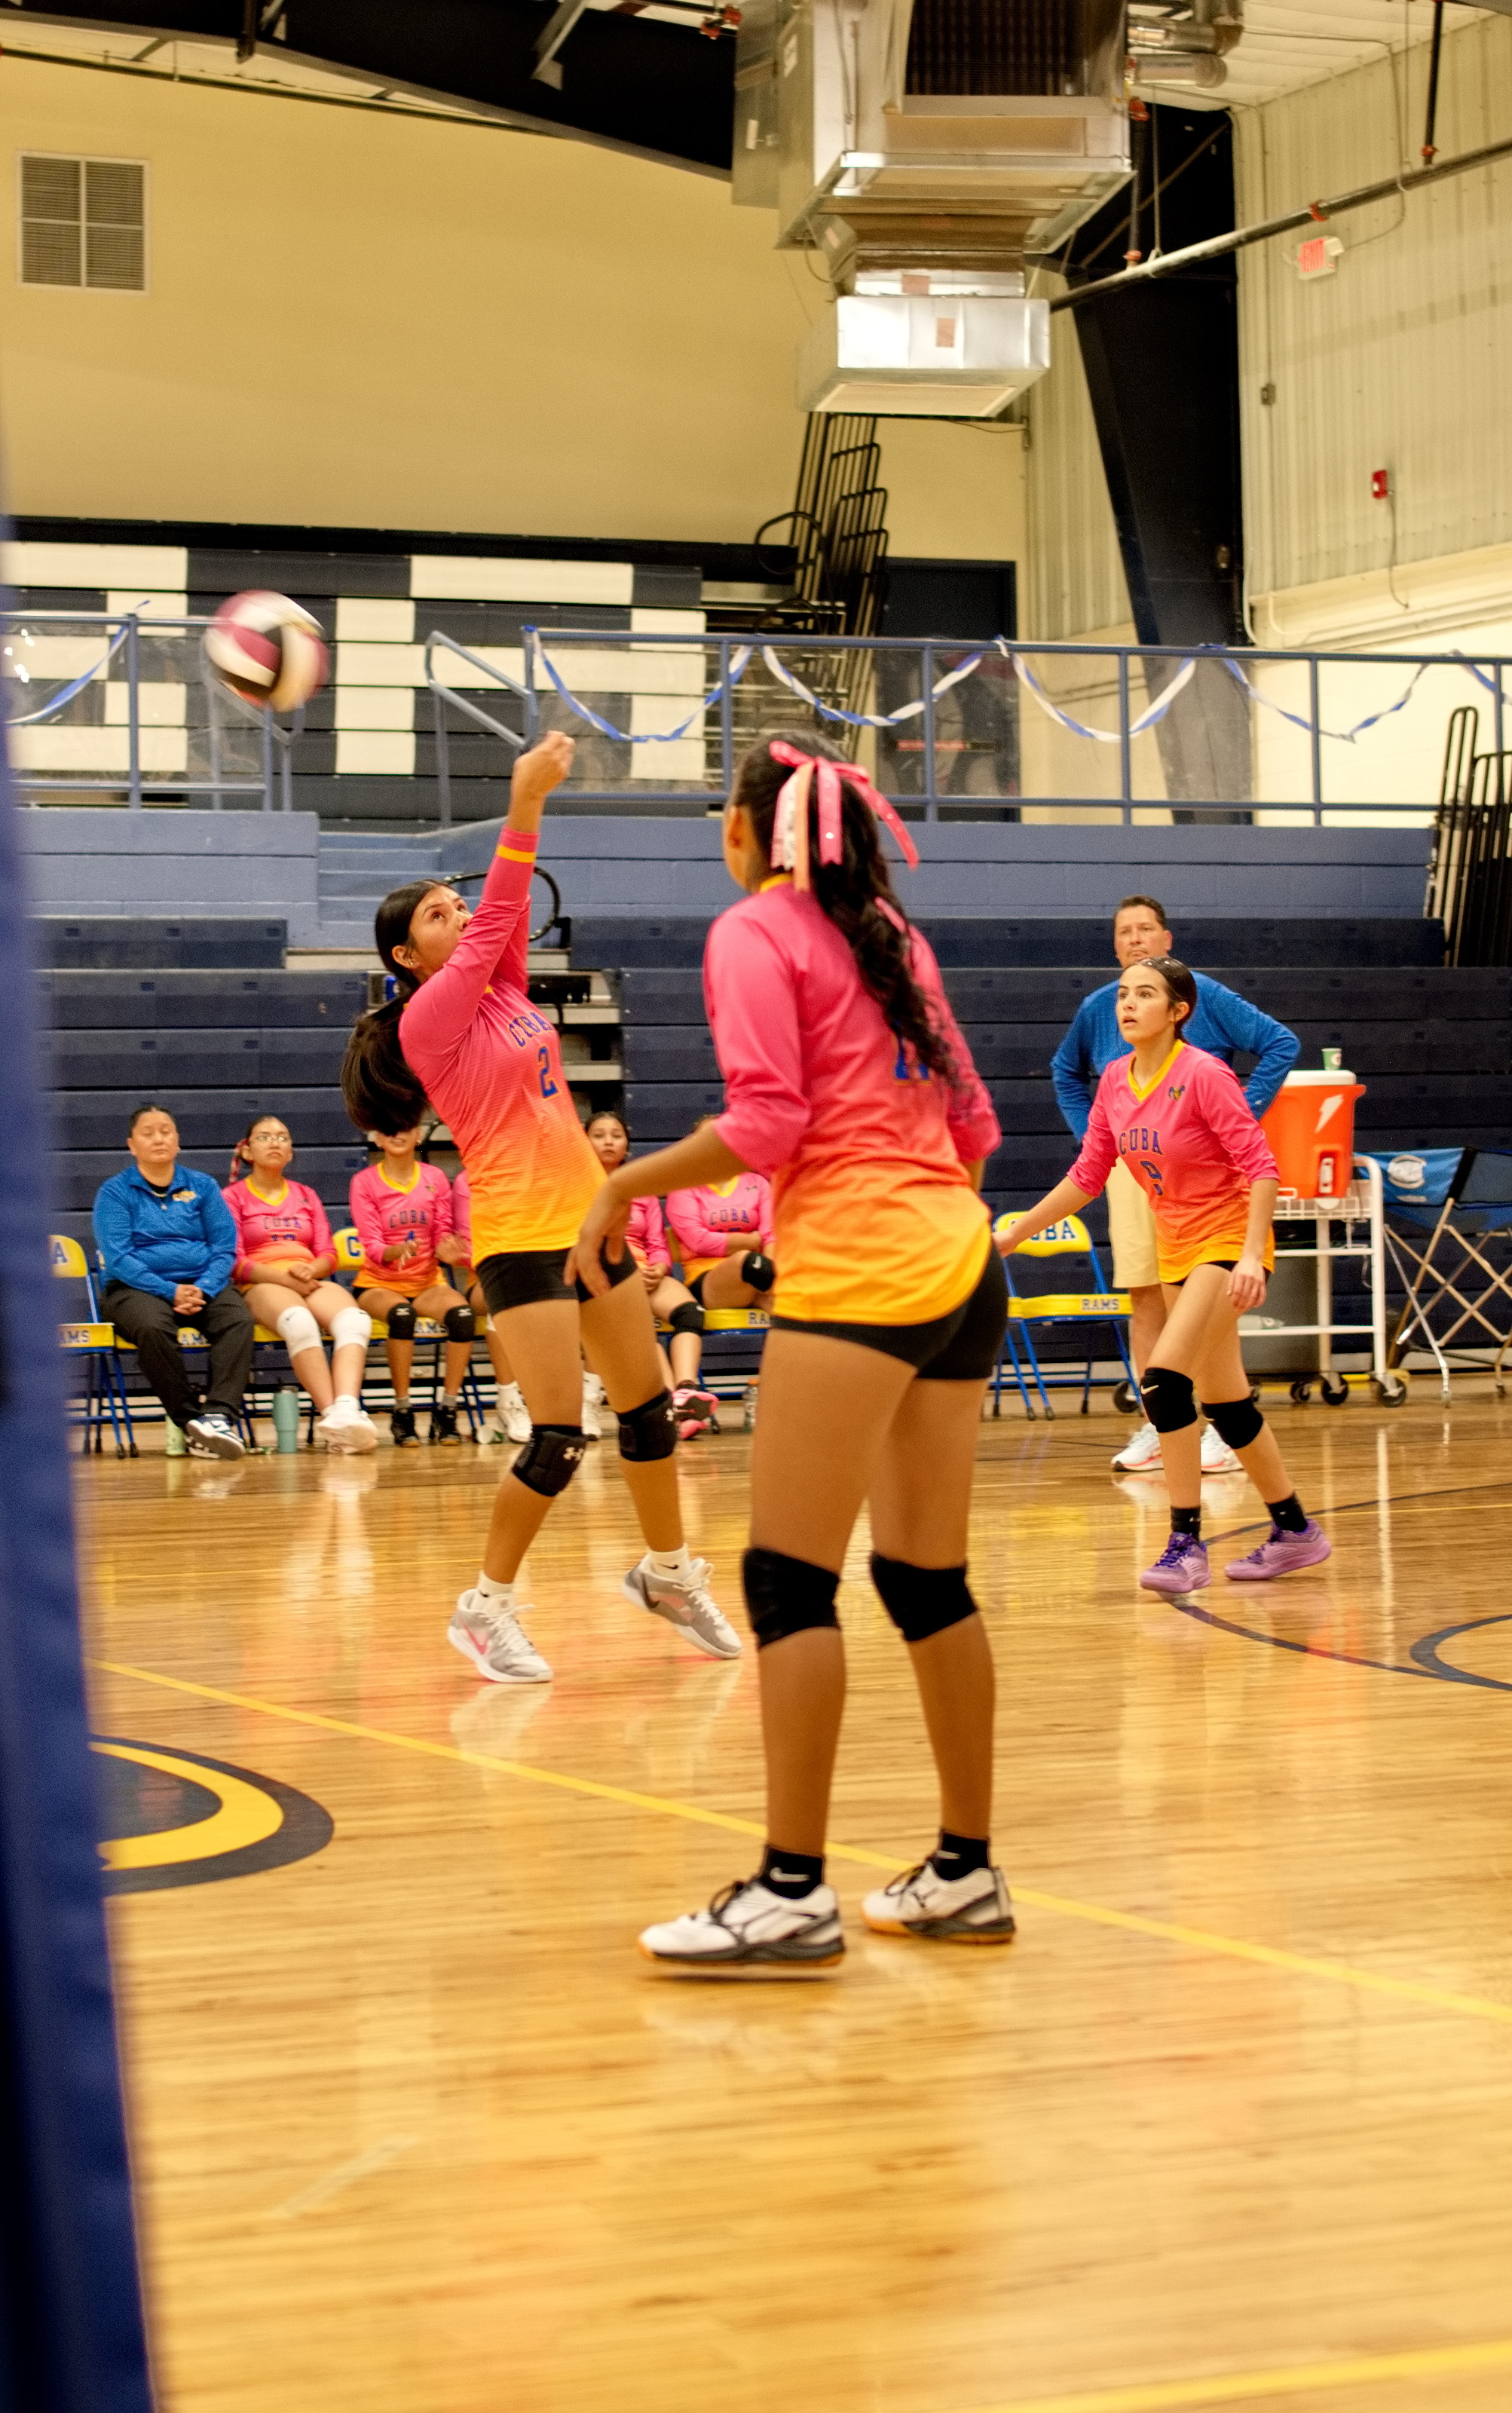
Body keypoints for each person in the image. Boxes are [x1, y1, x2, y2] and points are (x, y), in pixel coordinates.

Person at [574, 730, 1013, 1976]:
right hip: (961, 1263)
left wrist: (619, 1195)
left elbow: (767, 1122)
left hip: (870, 1272)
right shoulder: (892, 934)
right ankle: (965, 1870)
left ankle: (788, 1893)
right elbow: (970, 1126)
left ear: (751, 834)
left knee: (788, 1583)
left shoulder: (752, 932)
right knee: (926, 1581)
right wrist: (787, 1257)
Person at [339, 728, 739, 1684]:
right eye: (440, 913)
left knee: (644, 1415)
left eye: (455, 900)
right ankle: (484, 1608)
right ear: (408, 953)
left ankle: (668, 1572)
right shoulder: (426, 1016)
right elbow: (502, 907)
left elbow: (502, 924)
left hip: (589, 1221)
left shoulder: (504, 991)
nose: (461, 912)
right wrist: (526, 801)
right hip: (519, 1235)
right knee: (560, 1436)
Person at [1001, 954, 1330, 1597]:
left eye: (1144, 994)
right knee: (1227, 1401)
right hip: (1177, 1244)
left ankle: (1185, 1544)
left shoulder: (1205, 1075)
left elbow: (1261, 1167)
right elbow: (1086, 1177)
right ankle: (1295, 1531)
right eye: (1123, 993)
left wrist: (1247, 1256)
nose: (1126, 1004)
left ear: (1179, 1011)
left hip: (1227, 1240)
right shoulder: (1116, 1080)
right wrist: (1017, 1231)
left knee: (1163, 1384)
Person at [1050, 893, 1299, 1479]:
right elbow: (1067, 1080)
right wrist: (1095, 1134)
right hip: (1142, 1169)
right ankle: (1286, 1519)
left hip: (1212, 1186)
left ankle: (1187, 1514)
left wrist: (1242, 1108)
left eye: (1145, 930)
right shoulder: (1105, 1033)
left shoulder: (1202, 1042)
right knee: (1151, 1299)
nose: (1134, 940)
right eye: (1123, 932)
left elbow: (1279, 1052)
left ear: (1167, 941)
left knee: (1181, 1365)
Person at [94, 1104, 254, 1459]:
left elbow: (224, 1247)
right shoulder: (115, 1192)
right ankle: (188, 1420)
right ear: (131, 1145)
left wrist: (204, 1287)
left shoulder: (202, 1186)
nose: (158, 1138)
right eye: (148, 1132)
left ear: (178, 1141)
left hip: (202, 1285)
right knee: (153, 1327)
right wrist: (171, 1291)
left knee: (238, 1320)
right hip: (134, 1289)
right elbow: (119, 1259)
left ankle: (217, 1416)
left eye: (166, 1131)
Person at [222, 1116, 378, 1453]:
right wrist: (285, 1279)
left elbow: (328, 1252)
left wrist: (313, 1269)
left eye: (283, 1137)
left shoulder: (306, 1194)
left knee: (355, 1320)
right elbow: (234, 1261)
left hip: (306, 1277)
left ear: (291, 1152)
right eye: (264, 1137)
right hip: (263, 1281)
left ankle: (349, 1409)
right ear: (247, 1151)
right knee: (300, 1323)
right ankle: (333, 1417)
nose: (275, 1142)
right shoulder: (233, 1197)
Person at [586, 1110, 719, 1440]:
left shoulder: (640, 1186)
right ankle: (672, 1406)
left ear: (626, 1144)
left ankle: (686, 1390)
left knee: (690, 1313)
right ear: (585, 1142)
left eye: (616, 1135)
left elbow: (657, 1243)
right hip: (605, 1278)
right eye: (599, 1135)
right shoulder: (578, 1187)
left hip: (646, 1274)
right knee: (640, 1328)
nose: (608, 1141)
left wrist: (659, 1267)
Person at [349, 1130, 475, 1447]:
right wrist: (390, 1252)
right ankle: (402, 1411)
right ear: (377, 1138)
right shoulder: (364, 1182)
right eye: (389, 1127)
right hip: (379, 1284)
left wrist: (447, 1250)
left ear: (418, 1135)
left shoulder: (434, 1177)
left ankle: (447, 1409)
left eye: (405, 1125)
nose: (397, 1132)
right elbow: (371, 1243)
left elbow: (443, 1231)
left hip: (427, 1282)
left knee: (463, 1315)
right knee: (402, 1316)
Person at [437, 1166, 531, 1445]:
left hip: (535, 1275)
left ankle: (571, 1401)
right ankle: (509, 1400)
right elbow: (469, 1246)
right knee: (505, 1295)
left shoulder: (533, 1175)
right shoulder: (469, 1182)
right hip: (486, 1278)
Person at [665, 1164, 776, 1314]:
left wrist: (769, 1268)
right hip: (707, 1281)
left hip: (757, 1276)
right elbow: (699, 1241)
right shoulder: (684, 1188)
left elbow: (770, 1235)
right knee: (747, 1261)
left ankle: (763, 1294)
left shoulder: (758, 1183)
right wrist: (751, 1241)